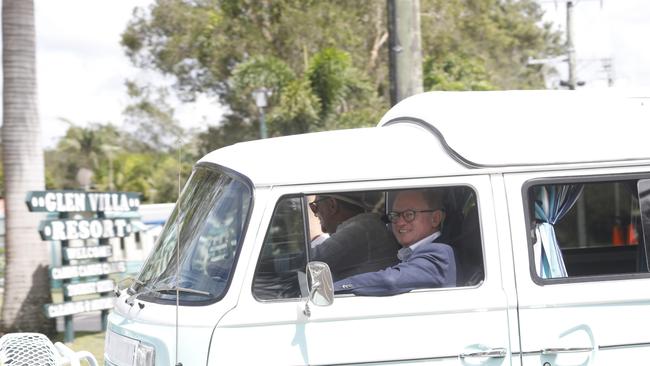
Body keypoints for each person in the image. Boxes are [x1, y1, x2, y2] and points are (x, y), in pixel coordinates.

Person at [333, 189, 456, 296]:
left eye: (409, 214)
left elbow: (390, 280)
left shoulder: (439, 253)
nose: (399, 222)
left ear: (435, 218)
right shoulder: (411, 254)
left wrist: (333, 288)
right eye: (395, 215)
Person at [309, 193, 400, 282]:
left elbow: (307, 262)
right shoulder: (367, 227)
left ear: (332, 205)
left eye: (315, 207)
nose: (315, 213)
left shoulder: (361, 229)